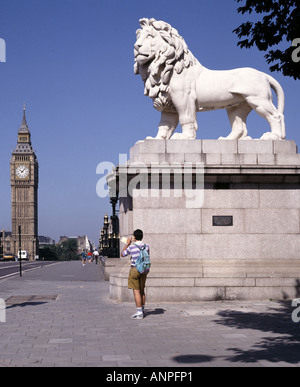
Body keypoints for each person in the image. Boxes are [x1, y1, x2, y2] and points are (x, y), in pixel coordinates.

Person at [121, 229, 150, 320]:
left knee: (136, 291)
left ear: (134, 237)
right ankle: (142, 309)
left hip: (135, 269)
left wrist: (127, 244)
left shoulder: (132, 247)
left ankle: (139, 312)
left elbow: (123, 254)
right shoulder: (147, 246)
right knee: (142, 290)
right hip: (144, 269)